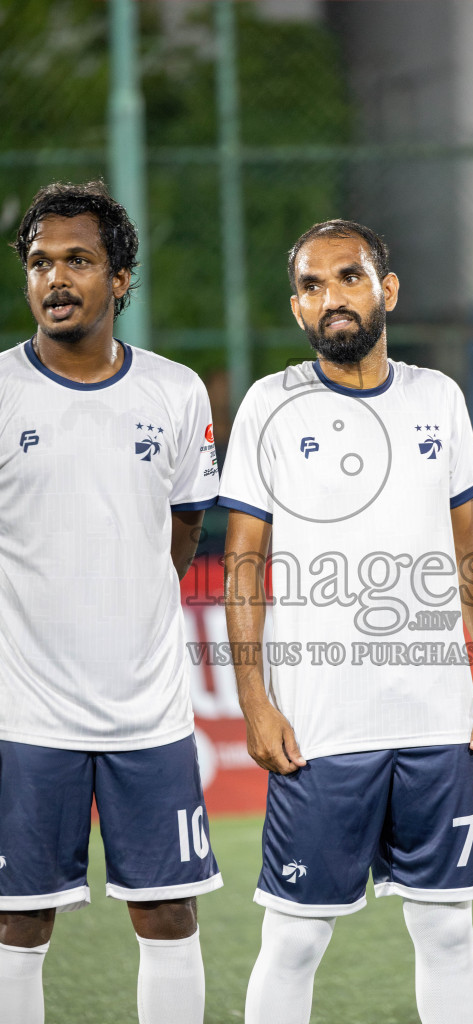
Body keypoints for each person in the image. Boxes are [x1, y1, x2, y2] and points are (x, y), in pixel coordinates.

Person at [219, 219, 473, 1024]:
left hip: (433, 717)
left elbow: (470, 551)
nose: (330, 298)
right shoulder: (269, 405)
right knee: (295, 938)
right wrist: (254, 701)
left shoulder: (438, 398)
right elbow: (242, 565)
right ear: (295, 308)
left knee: (447, 929)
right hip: (321, 722)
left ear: (386, 290)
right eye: (311, 286)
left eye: (347, 277)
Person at [0, 181, 223, 1024]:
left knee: (169, 910)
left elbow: (183, 527)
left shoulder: (174, 392)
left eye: (78, 261)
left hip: (148, 712)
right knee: (18, 919)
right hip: (25, 714)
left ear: (120, 278)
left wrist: (125, 609)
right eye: (39, 263)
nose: (56, 279)